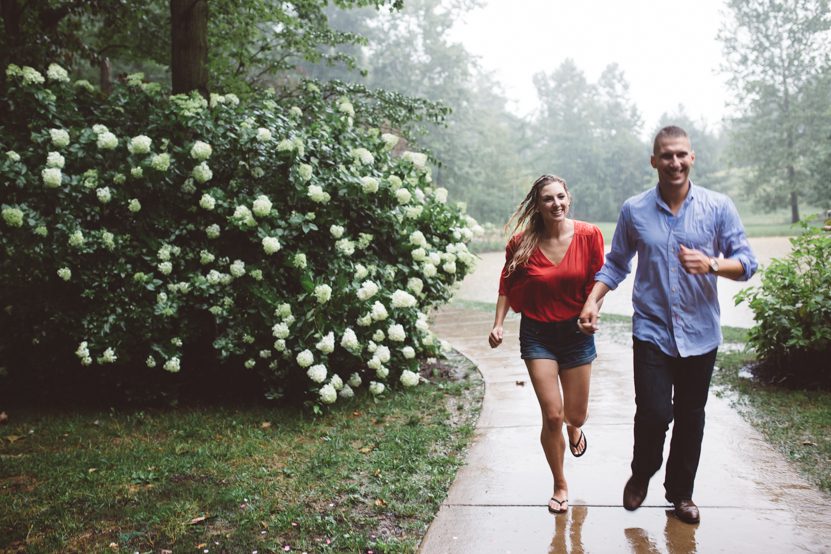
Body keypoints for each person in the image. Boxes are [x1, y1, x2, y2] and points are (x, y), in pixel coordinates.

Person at [579, 126, 758, 524]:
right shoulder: (634, 210)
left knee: (691, 416)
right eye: (666, 155)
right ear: (654, 161)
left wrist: (711, 263)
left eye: (681, 154)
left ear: (692, 157)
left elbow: (747, 262)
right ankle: (642, 472)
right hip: (653, 331)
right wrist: (593, 300)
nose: (674, 162)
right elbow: (616, 263)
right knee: (655, 413)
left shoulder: (718, 206)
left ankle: (681, 494)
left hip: (701, 332)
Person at [489, 174, 605, 514]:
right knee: (552, 415)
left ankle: (575, 429)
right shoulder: (521, 243)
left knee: (576, 415)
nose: (556, 204)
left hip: (576, 335)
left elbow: (601, 280)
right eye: (548, 199)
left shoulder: (589, 235)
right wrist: (497, 324)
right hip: (538, 334)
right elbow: (506, 286)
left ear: (568, 198)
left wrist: (592, 310)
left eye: (560, 197)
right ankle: (559, 483)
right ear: (537, 206)